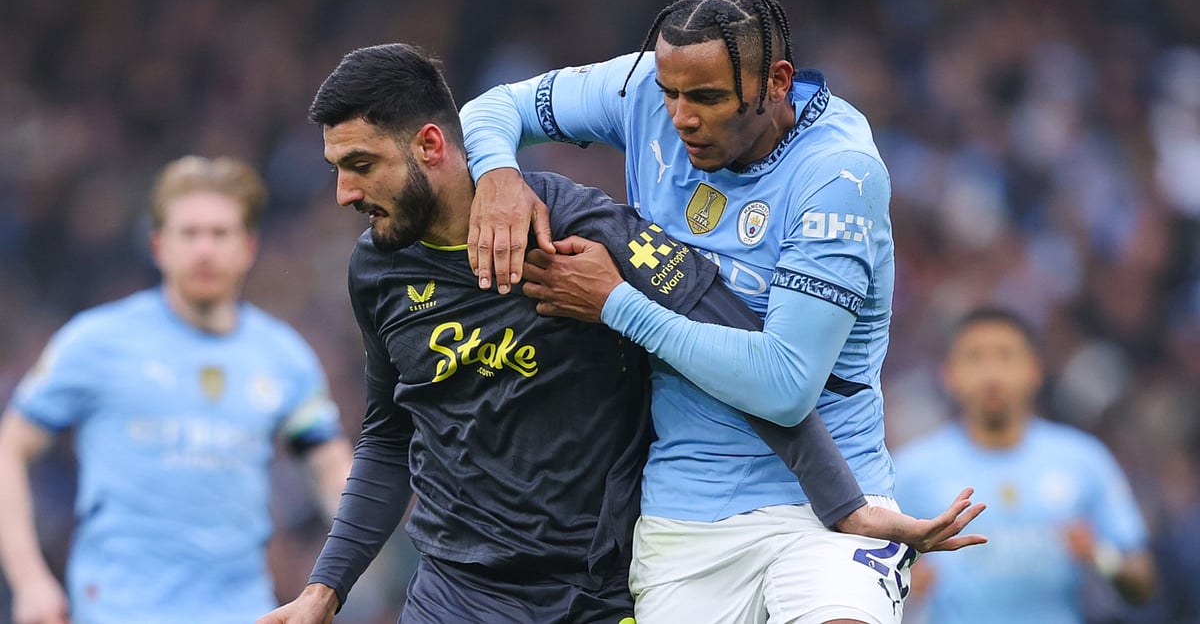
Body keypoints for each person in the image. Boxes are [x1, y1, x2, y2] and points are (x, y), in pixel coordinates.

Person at [260, 43, 983, 624]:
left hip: (596, 594)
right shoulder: (377, 270)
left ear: (428, 145)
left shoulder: (587, 231)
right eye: (336, 169)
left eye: (360, 166)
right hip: (455, 593)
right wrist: (326, 589)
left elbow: (746, 361)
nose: (344, 194)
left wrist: (846, 505)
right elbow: (390, 436)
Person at [460, 0, 937, 624]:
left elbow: (785, 383)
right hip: (687, 514)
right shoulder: (646, 95)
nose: (680, 116)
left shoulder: (838, 174)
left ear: (776, 83)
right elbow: (492, 107)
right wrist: (497, 174)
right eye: (670, 92)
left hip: (829, 507)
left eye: (707, 98)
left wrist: (614, 303)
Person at [0, 156, 354, 624]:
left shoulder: (284, 357)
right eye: (189, 234)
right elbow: (11, 448)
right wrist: (29, 580)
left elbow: (334, 472)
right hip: (118, 608)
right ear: (158, 245)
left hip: (243, 610)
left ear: (248, 246)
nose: (204, 250)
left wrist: (341, 576)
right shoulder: (96, 342)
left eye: (220, 233)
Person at [892, 307, 1157, 623]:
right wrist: (904, 585)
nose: (991, 374)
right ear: (949, 375)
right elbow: (864, 571)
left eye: (1005, 356)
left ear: (1034, 370)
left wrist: (1102, 558)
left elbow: (1144, 583)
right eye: (975, 358)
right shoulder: (911, 470)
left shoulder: (1084, 459)